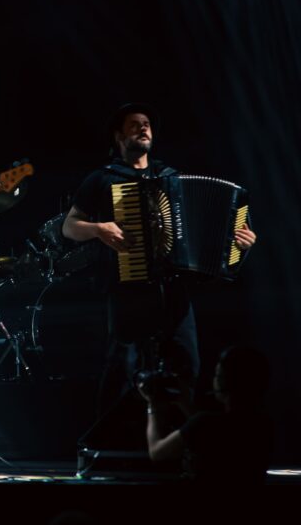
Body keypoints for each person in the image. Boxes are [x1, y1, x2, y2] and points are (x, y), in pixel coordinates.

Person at [62, 103, 257, 414]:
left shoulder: (171, 178)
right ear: (118, 136)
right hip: (128, 289)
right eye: (134, 124)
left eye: (147, 124)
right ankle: (106, 445)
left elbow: (207, 234)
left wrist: (240, 244)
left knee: (185, 363)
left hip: (173, 290)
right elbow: (69, 227)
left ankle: (175, 446)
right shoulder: (102, 179)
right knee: (124, 368)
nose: (143, 128)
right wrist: (99, 228)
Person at [139, 345, 273, 483]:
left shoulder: (205, 422)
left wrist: (152, 405)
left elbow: (157, 452)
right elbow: (215, 432)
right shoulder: (264, 425)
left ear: (223, 381)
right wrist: (184, 402)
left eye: (217, 375)